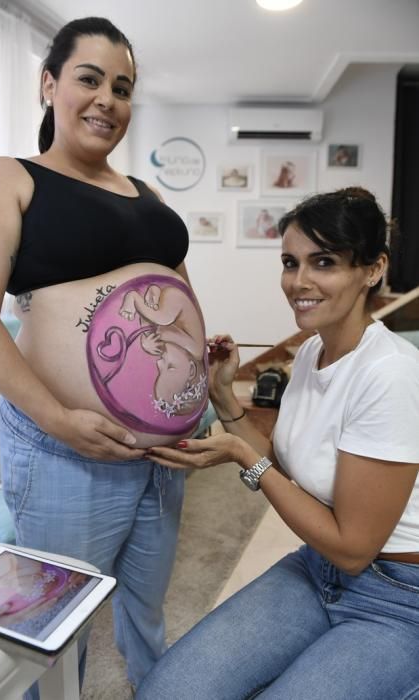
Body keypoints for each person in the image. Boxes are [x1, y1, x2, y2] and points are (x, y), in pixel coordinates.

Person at [0, 16, 208, 696]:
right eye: (89, 79)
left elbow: (172, 296)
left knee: (145, 614)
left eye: (122, 87)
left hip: (162, 458)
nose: (107, 100)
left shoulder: (147, 196)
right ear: (49, 84)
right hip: (66, 453)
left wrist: (210, 361)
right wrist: (60, 418)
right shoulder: (9, 178)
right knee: (57, 632)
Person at [136, 187, 419, 700]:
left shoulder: (392, 375)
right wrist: (225, 398)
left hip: (398, 600)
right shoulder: (312, 352)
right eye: (291, 262)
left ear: (373, 269)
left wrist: (244, 457)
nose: (299, 282)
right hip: (316, 567)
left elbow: (355, 549)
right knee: (168, 691)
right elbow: (286, 470)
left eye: (324, 262)